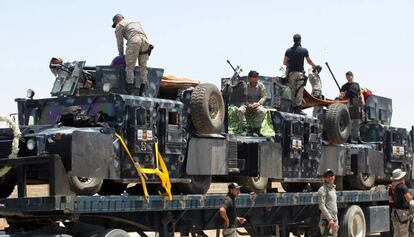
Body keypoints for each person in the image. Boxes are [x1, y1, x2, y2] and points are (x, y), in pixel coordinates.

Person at [112, 14, 151, 95]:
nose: (115, 25)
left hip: (134, 41)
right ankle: (142, 92)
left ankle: (130, 92)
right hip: (145, 41)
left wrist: (121, 55)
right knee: (143, 67)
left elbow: (120, 42)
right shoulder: (135, 22)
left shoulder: (119, 25)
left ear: (116, 20)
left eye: (115, 23)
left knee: (130, 67)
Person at [283, 34, 316, 113]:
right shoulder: (304, 50)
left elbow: (284, 62)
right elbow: (309, 61)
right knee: (299, 91)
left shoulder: (288, 50)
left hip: (291, 74)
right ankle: (298, 109)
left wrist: (291, 63)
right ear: (300, 40)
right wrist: (314, 66)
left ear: (293, 40)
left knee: (292, 91)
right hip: (300, 74)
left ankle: (292, 108)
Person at [237, 70, 267, 136]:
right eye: (254, 77)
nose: (256, 78)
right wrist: (247, 104)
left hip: (257, 104)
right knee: (240, 110)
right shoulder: (245, 86)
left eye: (256, 76)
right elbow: (243, 97)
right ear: (250, 78)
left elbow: (264, 96)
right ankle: (245, 129)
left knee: (262, 111)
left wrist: (258, 103)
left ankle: (256, 129)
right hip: (247, 104)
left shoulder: (261, 86)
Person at [339, 71, 365, 143]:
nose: (348, 77)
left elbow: (360, 93)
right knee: (349, 120)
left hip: (357, 102)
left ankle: (357, 137)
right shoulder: (344, 86)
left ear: (352, 76)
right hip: (348, 102)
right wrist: (342, 95)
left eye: (349, 76)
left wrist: (362, 100)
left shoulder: (356, 84)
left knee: (357, 121)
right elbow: (340, 96)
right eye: (347, 76)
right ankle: (348, 137)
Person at [388, 168, 413, 237]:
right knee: (404, 233)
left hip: (395, 212)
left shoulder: (392, 187)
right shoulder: (403, 187)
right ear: (401, 177)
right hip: (403, 214)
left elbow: (390, 200)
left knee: (396, 233)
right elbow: (408, 199)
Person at [318, 169, 339, 237]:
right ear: (325, 178)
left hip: (334, 221)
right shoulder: (322, 189)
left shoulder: (333, 189)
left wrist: (335, 221)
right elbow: (321, 206)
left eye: (331, 175)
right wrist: (330, 219)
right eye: (327, 176)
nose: (330, 177)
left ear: (334, 177)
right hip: (326, 221)